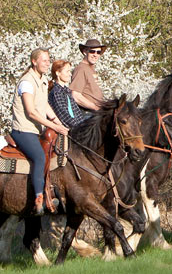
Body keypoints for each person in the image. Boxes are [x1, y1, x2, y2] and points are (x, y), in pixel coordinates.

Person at [10, 48, 69, 215]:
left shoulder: (42, 80)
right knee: (39, 157)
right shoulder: (27, 82)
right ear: (34, 61)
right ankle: (39, 198)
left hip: (37, 130)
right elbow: (31, 112)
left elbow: (44, 106)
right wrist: (55, 127)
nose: (47, 63)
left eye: (48, 60)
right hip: (24, 130)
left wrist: (60, 124)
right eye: (44, 60)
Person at [49, 60, 94, 128]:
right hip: (66, 130)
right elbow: (63, 114)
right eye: (67, 71)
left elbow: (76, 112)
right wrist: (79, 127)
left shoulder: (67, 91)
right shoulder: (56, 92)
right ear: (58, 73)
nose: (70, 74)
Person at [70, 39, 107, 111]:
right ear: (85, 52)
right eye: (92, 51)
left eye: (98, 52)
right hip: (87, 113)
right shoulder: (81, 69)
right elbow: (76, 95)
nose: (95, 55)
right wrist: (96, 108)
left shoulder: (91, 69)